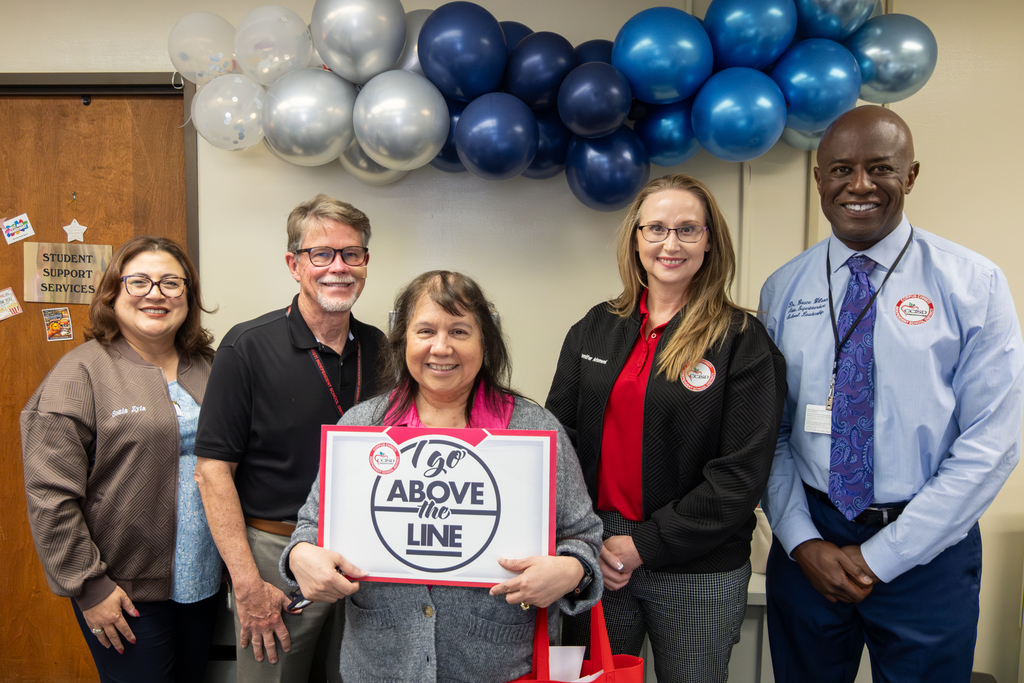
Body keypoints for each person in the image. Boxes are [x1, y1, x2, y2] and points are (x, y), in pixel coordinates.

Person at [758, 105, 1024, 682]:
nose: (858, 186)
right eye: (840, 170)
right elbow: (768, 433)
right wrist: (802, 541)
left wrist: (886, 555)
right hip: (812, 544)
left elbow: (992, 442)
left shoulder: (973, 284)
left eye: (880, 168)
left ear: (911, 175)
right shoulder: (783, 288)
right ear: (819, 179)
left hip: (928, 551)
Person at [281, 270, 603, 682]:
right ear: (403, 341)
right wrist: (301, 556)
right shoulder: (363, 427)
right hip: (381, 665)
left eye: (460, 331)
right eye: (426, 330)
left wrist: (571, 570)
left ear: (485, 342)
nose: (441, 347)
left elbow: (583, 535)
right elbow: (310, 527)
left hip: (497, 666)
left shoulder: (533, 429)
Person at [545, 173, 787, 683]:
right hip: (598, 553)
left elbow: (739, 476)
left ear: (710, 242)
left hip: (697, 564)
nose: (669, 243)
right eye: (655, 228)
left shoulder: (741, 340)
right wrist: (586, 542)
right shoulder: (596, 326)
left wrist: (644, 545)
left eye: (687, 230)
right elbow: (557, 441)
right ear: (635, 239)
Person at [194, 195, 385, 683]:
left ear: (366, 262)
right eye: (321, 254)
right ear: (294, 264)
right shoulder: (246, 346)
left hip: (367, 556)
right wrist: (247, 585)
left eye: (352, 254)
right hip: (274, 556)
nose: (338, 267)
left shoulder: (384, 349)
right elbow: (212, 471)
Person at [22, 236, 220, 683]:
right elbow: (50, 495)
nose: (156, 293)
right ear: (112, 293)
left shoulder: (211, 367)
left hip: (204, 583)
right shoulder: (79, 375)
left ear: (188, 295)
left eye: (171, 282)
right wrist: (89, 587)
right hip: (124, 592)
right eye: (139, 281)